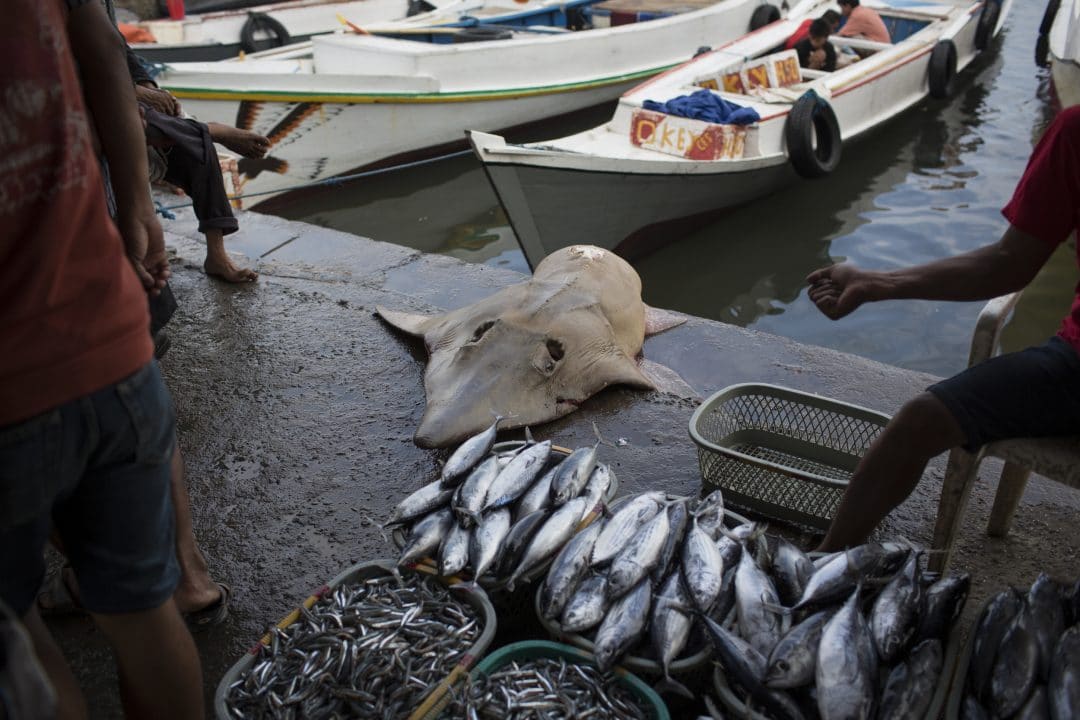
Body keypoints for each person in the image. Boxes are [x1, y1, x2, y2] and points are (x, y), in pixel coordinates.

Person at [1, 1, 204, 718]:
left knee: (16, 634)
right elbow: (97, 39)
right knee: (147, 609)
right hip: (114, 348)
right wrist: (138, 204)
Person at [806, 106, 1080, 552]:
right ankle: (823, 567)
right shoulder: (1074, 134)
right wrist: (875, 283)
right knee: (921, 420)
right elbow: (1009, 263)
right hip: (1075, 363)